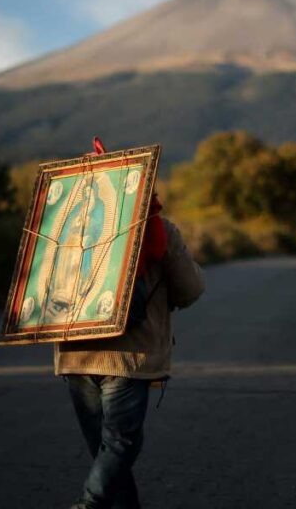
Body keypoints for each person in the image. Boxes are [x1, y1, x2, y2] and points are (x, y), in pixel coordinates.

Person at [55, 185, 205, 509]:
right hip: (128, 358)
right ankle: (88, 503)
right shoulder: (157, 228)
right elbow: (189, 290)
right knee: (120, 444)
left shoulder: (64, 230)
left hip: (76, 355)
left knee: (108, 451)